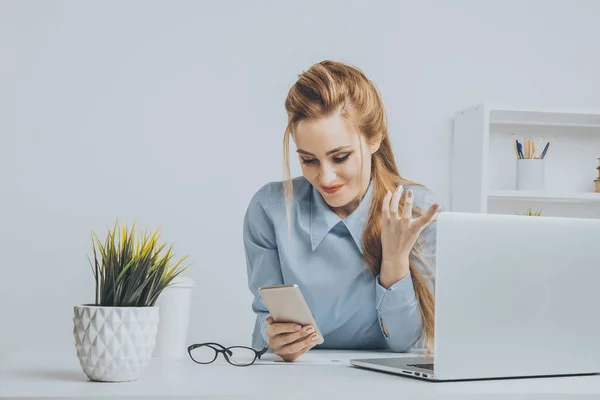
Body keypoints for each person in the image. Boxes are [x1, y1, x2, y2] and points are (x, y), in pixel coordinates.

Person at [243, 60, 440, 362]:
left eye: (341, 157)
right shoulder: (270, 210)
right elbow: (263, 328)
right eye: (309, 160)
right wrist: (273, 337)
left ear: (374, 139)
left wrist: (395, 259)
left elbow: (408, 346)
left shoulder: (416, 211)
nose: (325, 178)